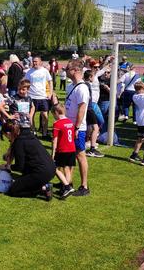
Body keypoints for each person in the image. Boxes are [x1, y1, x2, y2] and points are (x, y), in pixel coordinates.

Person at [3, 123, 56, 201]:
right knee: (22, 180)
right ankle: (42, 185)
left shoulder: (19, 142)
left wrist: (7, 167)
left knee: (13, 190)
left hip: (41, 172)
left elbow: (19, 166)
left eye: (6, 136)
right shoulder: (28, 135)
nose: (8, 139)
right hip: (51, 168)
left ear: (8, 133)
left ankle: (43, 189)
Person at [64, 59, 90, 197]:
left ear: (75, 70)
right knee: (69, 155)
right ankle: (68, 182)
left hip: (77, 128)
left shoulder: (82, 88)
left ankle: (84, 186)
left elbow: (82, 109)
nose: (66, 71)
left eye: (68, 69)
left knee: (80, 155)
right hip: (68, 126)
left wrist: (77, 127)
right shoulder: (70, 86)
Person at [51, 104, 77, 199]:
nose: (54, 117)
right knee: (67, 168)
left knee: (55, 168)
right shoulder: (70, 122)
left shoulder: (57, 124)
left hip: (63, 150)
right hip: (72, 149)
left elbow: (55, 139)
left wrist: (53, 153)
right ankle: (66, 186)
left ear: (56, 113)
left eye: (53, 115)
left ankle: (67, 187)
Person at [24, 56, 52, 139]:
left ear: (40, 62)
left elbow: (50, 82)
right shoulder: (29, 72)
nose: (34, 63)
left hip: (43, 96)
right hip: (32, 97)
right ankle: (33, 132)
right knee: (31, 115)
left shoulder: (45, 71)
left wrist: (50, 93)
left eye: (36, 61)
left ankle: (44, 133)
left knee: (45, 115)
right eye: (33, 61)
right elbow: (25, 83)